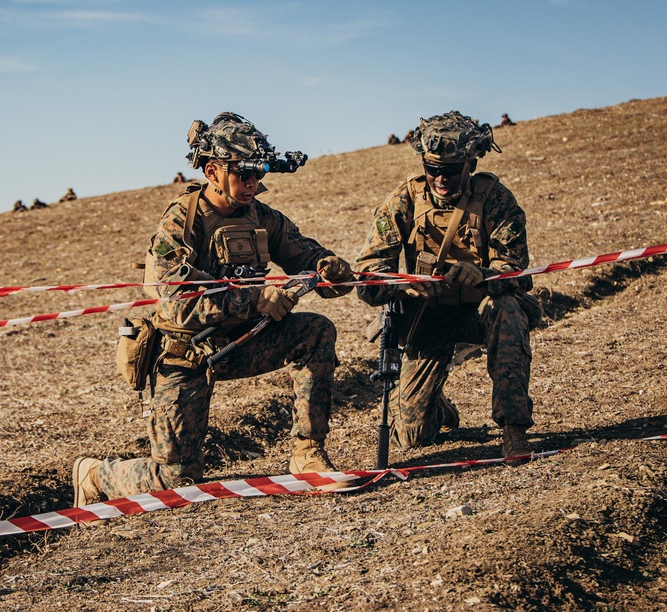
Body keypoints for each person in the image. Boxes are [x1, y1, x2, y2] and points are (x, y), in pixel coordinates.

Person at [73, 112, 356, 506]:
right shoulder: (180, 221)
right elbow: (176, 304)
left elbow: (303, 253)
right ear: (212, 171)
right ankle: (96, 475)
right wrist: (255, 299)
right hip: (183, 355)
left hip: (242, 342)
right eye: (243, 175)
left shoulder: (262, 216)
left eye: (257, 176)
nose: (252, 185)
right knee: (175, 479)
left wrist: (329, 266)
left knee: (315, 331)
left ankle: (307, 454)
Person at [355, 110, 541, 461]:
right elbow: (367, 273)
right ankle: (436, 405)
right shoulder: (405, 199)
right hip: (428, 316)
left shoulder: (496, 199)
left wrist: (485, 275)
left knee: (509, 310)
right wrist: (402, 285)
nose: (440, 178)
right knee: (411, 437)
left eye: (451, 170)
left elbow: (517, 272)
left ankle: (513, 428)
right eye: (433, 169)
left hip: (480, 310)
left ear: (470, 163)